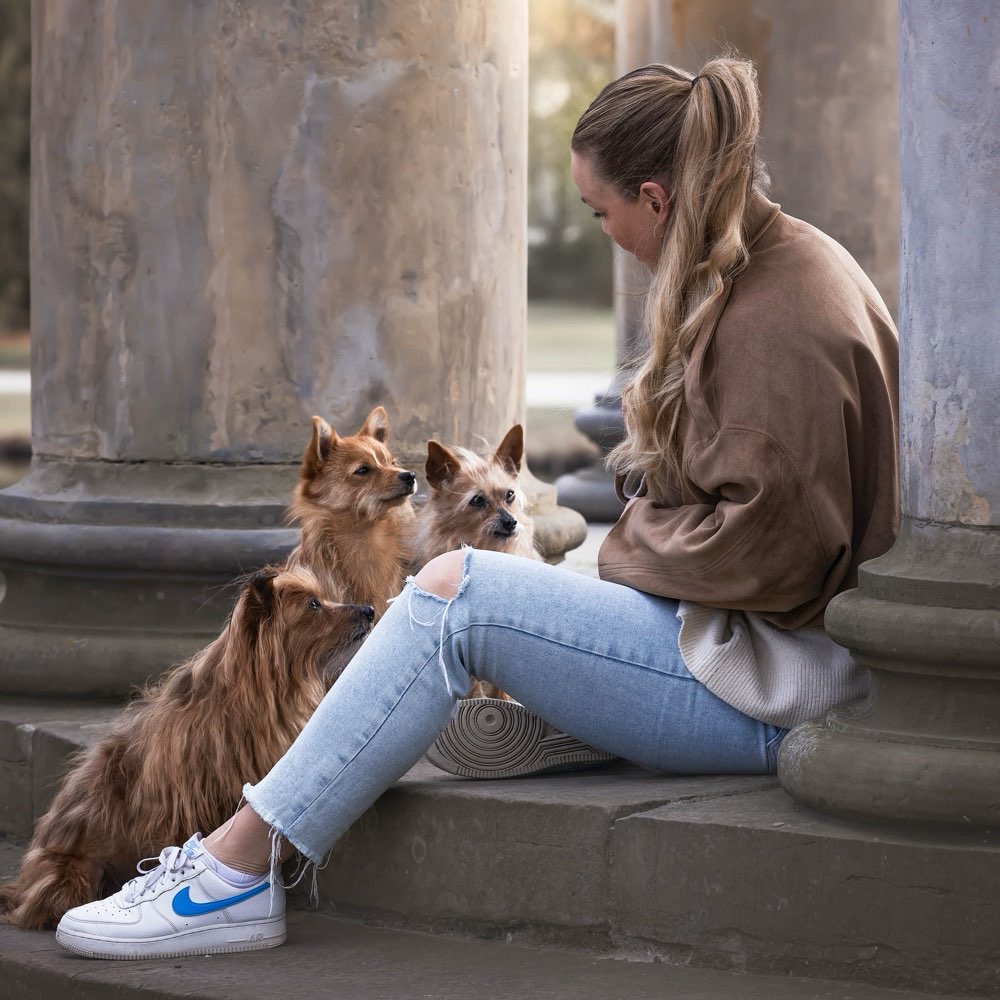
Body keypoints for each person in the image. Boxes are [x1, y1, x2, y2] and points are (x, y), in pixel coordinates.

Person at [54, 55, 898, 960]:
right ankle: (494, 724)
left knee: (460, 588)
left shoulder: (777, 316)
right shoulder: (792, 260)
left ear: (655, 198)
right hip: (761, 649)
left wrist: (632, 540)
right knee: (479, 592)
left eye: (600, 212)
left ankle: (232, 872)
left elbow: (775, 554)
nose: (605, 231)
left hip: (776, 686)